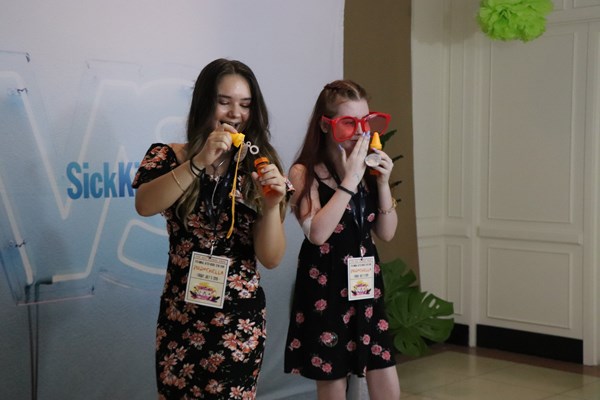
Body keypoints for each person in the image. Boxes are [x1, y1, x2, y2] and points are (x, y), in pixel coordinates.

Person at [132, 58, 290, 399]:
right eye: (225, 101)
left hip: (239, 323)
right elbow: (145, 204)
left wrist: (273, 203)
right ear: (204, 101)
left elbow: (272, 258)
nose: (235, 113)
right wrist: (199, 161)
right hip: (181, 316)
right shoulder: (169, 155)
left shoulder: (261, 164)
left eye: (245, 105)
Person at [284, 80, 401, 400]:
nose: (360, 131)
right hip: (326, 288)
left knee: (387, 384)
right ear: (325, 124)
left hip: (366, 287)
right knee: (333, 384)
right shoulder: (302, 172)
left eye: (365, 121)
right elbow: (317, 233)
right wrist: (349, 180)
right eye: (349, 122)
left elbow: (387, 232)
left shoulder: (368, 170)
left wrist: (383, 183)